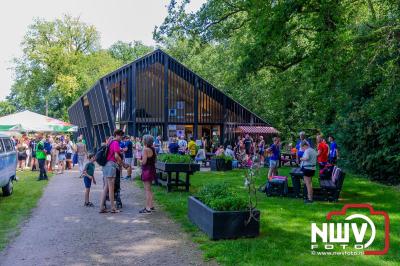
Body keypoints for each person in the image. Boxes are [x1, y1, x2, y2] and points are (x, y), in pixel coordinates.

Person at [99, 129, 126, 214]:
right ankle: (113, 208)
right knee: (111, 188)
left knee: (106, 187)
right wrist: (123, 164)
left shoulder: (110, 142)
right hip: (111, 165)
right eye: (121, 136)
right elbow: (116, 156)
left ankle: (101, 207)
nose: (122, 138)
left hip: (106, 166)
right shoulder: (115, 143)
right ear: (117, 135)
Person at [139, 135, 156, 214]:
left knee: (147, 190)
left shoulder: (145, 149)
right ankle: (151, 205)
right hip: (151, 169)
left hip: (146, 170)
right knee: (149, 189)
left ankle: (147, 208)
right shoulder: (153, 149)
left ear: (145, 141)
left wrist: (140, 161)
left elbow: (144, 162)